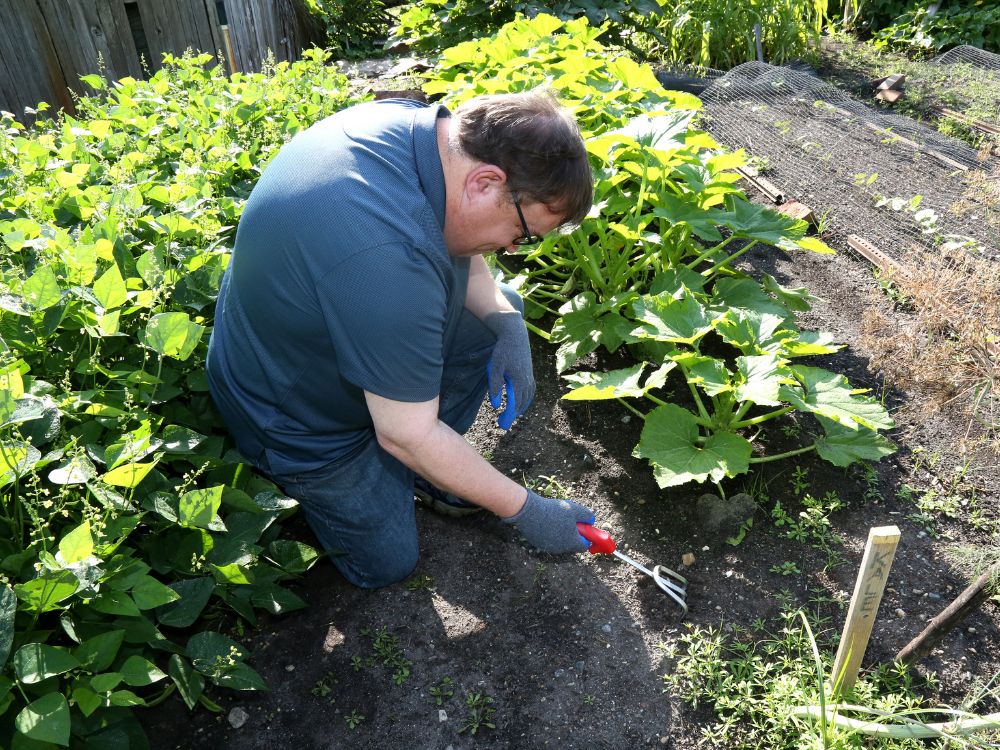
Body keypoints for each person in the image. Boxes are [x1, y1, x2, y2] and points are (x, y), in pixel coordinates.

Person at [206, 90, 596, 588]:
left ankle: (431, 470)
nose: (511, 248)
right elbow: (404, 432)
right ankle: (392, 468)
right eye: (522, 233)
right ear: (485, 182)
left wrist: (505, 321)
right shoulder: (385, 261)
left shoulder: (426, 135)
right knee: (389, 562)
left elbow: (454, 228)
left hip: (332, 336)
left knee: (498, 309)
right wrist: (526, 510)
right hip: (294, 418)